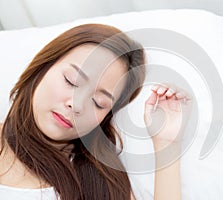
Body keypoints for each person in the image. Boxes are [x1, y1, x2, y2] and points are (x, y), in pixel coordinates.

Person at [0, 23, 191, 200]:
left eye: (98, 103)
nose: (76, 105)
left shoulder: (101, 182)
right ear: (42, 67)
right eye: (71, 81)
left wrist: (167, 144)